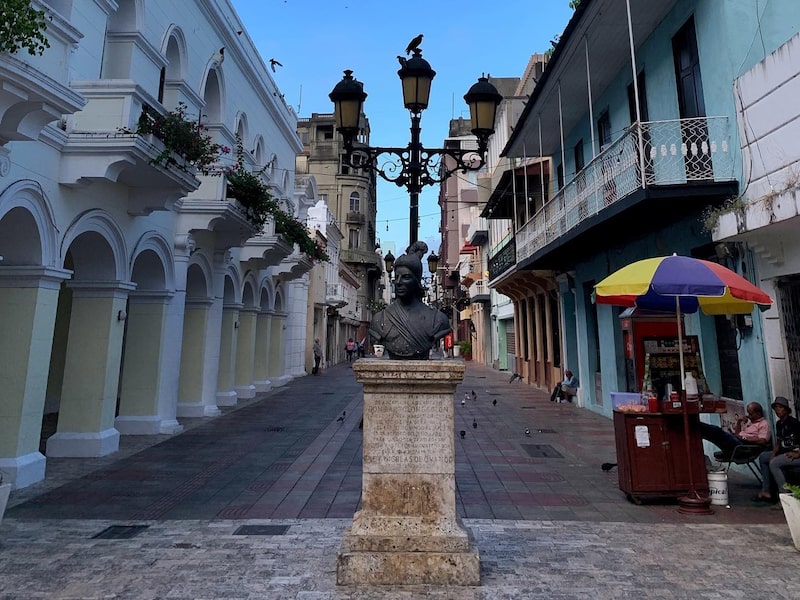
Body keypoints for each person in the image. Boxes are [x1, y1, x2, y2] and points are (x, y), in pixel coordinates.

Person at [369, 241, 451, 360]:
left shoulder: (438, 320)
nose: (399, 282)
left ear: (417, 281)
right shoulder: (379, 319)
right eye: (397, 277)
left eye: (406, 277)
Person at [755, 396, 800, 502]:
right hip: (784, 452)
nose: (777, 410)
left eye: (780, 407)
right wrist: (773, 454)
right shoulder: (779, 424)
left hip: (795, 454)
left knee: (774, 463)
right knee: (763, 457)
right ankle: (766, 490)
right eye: (776, 408)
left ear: (786, 409)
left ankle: (785, 496)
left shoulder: (794, 423)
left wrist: (798, 453)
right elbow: (778, 442)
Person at [697, 402, 770, 459]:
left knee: (716, 431)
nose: (748, 416)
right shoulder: (750, 422)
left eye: (750, 414)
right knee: (713, 434)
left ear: (758, 413)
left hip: (744, 447)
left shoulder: (763, 424)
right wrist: (739, 421)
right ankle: (697, 428)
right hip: (737, 441)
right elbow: (737, 434)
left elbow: (762, 440)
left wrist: (744, 438)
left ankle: (696, 426)